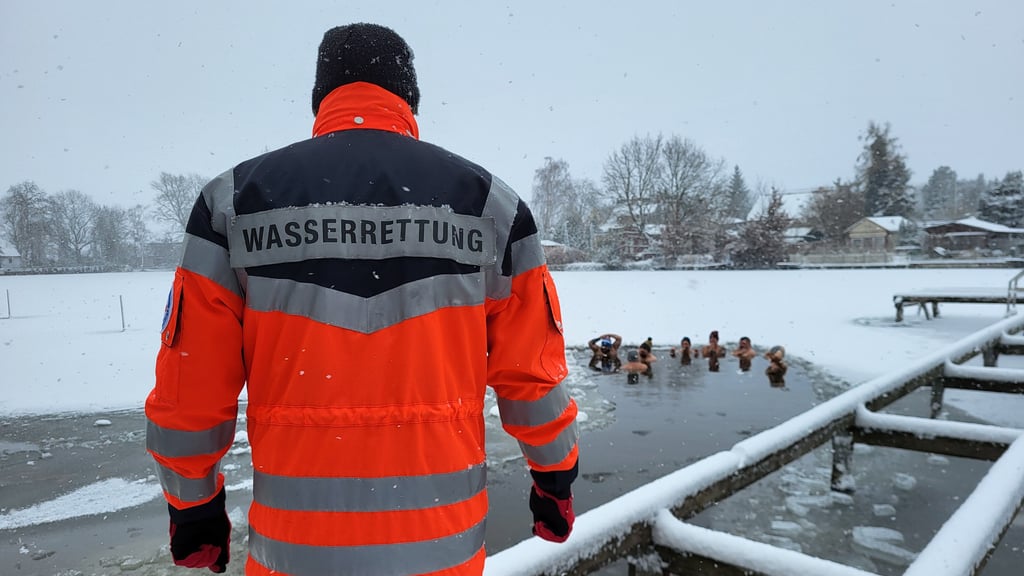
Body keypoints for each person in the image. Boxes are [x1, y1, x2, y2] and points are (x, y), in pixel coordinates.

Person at [144, 23, 579, 576]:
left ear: (320, 98)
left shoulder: (234, 204)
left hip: (294, 554)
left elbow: (191, 390)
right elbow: (533, 376)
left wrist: (193, 508)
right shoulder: (491, 207)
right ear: (410, 98)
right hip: (444, 550)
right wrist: (554, 477)